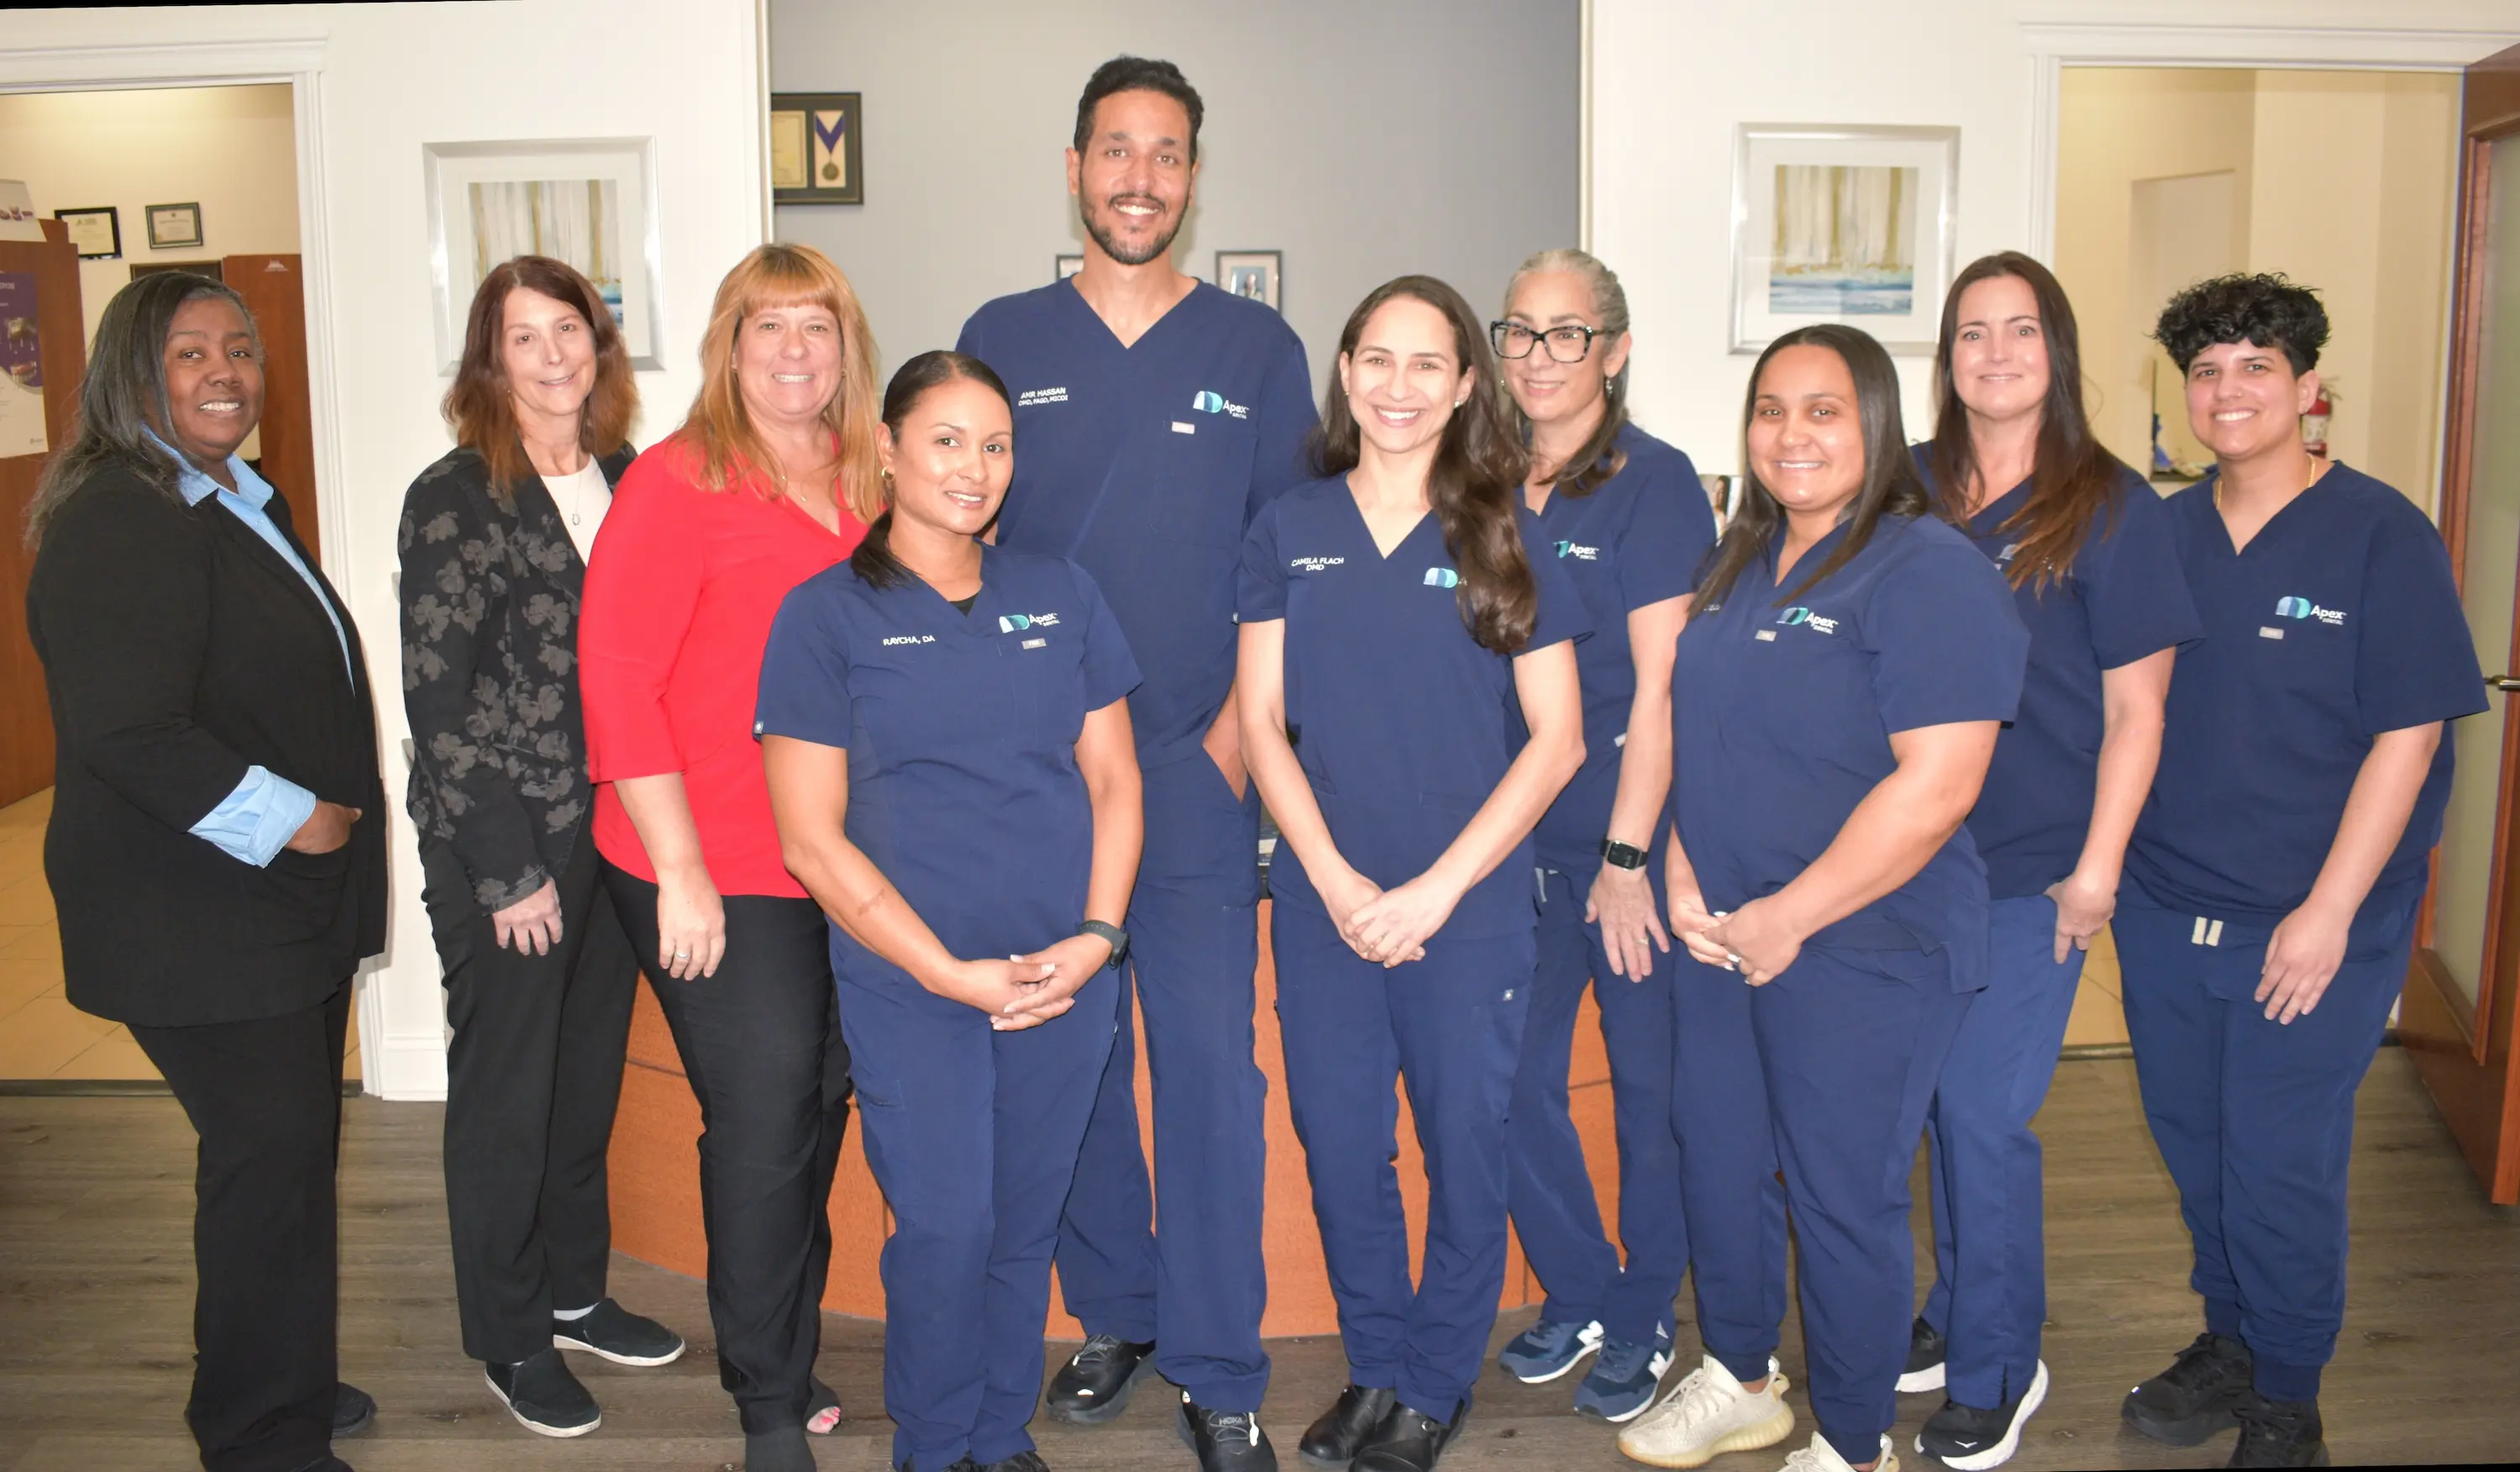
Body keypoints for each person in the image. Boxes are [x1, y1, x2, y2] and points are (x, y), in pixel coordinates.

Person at [954, 55, 1315, 1472]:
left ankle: (1221, 1371)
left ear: (1193, 176)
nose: (1140, 178)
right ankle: (1120, 1310)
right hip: (1042, 769)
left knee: (1212, 1074)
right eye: (1117, 151)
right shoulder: (1002, 332)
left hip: (1194, 760)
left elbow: (1289, 558)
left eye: (1168, 155)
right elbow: (956, 530)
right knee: (1076, 1057)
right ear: (1074, 167)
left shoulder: (1255, 351)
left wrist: (1236, 734)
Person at [1625, 324, 2026, 1472]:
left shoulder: (1928, 569)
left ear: (1877, 427)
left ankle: (1852, 1444)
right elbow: (1700, 736)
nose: (1789, 435)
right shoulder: (1740, 563)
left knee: (1840, 1198)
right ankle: (1744, 1378)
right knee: (1719, 1153)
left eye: (1823, 411)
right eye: (1770, 410)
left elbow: (1941, 786)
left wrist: (1788, 917)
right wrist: (1692, 876)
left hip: (1866, 944)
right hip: (1726, 933)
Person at [2113, 275, 2485, 1470]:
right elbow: (2130, 715)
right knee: (2196, 1146)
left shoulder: (2383, 534)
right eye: (2208, 372)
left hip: (2318, 920)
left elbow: (2411, 734)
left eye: (2256, 369)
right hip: (2172, 907)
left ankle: (2290, 1394)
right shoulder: (2163, 536)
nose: (2229, 392)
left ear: (2309, 387)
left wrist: (2327, 913)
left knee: (2279, 1161)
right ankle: (2231, 1340)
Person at [24, 271, 386, 1472]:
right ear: (134, 374)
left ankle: (276, 1375)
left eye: (239, 348)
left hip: (267, 911)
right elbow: (128, 731)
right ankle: (257, 1436)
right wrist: (294, 821)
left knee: (283, 1157)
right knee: (265, 1164)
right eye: (189, 354)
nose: (226, 370)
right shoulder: (117, 515)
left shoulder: (228, 493)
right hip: (198, 913)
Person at [761, 350, 1145, 1472]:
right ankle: (932, 1447)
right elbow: (808, 838)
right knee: (944, 1231)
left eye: (996, 444)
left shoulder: (1062, 593)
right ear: (886, 447)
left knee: (1023, 1228)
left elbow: (1118, 781)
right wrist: (944, 973)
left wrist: (1096, 940)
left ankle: (996, 1431)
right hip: (913, 985)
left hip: (1063, 979)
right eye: (945, 439)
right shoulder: (823, 617)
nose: (974, 469)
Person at [1238, 276, 1588, 1472]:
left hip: (1470, 909)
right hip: (1327, 903)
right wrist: (1332, 882)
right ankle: (1377, 1365)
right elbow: (1259, 718)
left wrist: (1436, 890)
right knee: (1341, 1147)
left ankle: (1436, 1382)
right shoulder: (1289, 527)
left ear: (1467, 384)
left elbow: (1559, 739)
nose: (1399, 386)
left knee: (1462, 1141)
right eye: (1376, 360)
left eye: (1428, 363)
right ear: (1346, 372)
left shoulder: (1504, 528)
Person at [1883, 252, 2203, 1469]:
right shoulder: (1906, 485)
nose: (1997, 353)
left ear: (2057, 353)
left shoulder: (2111, 505)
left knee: (1982, 1114)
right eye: (1974, 331)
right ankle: (1962, 1305)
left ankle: (1999, 1364)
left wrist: (2098, 872)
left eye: (2022, 331)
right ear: (1948, 356)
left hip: (2034, 870)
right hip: (1907, 856)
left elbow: (2139, 715)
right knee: (1927, 1111)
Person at [579, 243, 874, 1472]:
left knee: (817, 1109)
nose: (794, 352)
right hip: (707, 863)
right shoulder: (675, 478)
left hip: (842, 864)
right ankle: (764, 1405)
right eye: (769, 329)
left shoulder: (875, 477)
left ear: (845, 346)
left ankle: (788, 1355)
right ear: (729, 347)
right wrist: (681, 869)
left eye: (817, 328)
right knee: (759, 1126)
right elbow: (617, 680)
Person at [398, 255, 687, 1440]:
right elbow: (440, 699)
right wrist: (507, 868)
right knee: (508, 1099)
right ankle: (510, 1335)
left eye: (569, 329)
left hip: (612, 831)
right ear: (490, 361)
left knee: (580, 1088)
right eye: (524, 338)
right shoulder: (456, 494)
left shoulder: (629, 478)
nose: (554, 355)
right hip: (507, 844)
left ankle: (573, 1290)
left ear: (601, 346)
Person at [1487, 249, 1714, 1423]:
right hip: (1510, 850)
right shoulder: (1473, 479)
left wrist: (1629, 861)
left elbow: (1667, 686)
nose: (1537, 356)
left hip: (1620, 841)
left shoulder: (1657, 483)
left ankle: (1642, 1319)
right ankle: (1580, 1289)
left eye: (1566, 334)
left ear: (1615, 351)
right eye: (1519, 332)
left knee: (1647, 1094)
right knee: (1509, 1086)